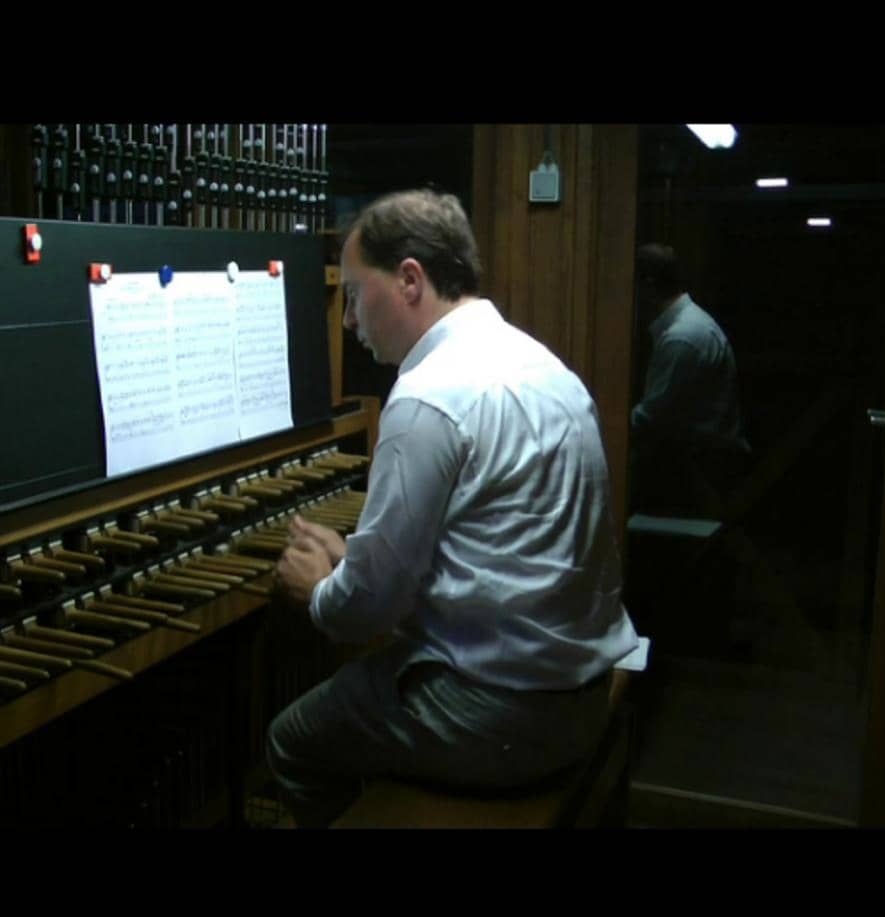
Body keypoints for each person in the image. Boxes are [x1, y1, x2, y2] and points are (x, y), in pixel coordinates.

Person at [267, 189, 639, 828]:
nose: (351, 321)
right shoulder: (540, 363)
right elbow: (498, 555)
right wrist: (357, 560)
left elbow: (363, 613)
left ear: (410, 280)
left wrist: (321, 589)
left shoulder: (426, 396)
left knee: (292, 741)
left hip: (503, 720)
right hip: (578, 694)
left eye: (355, 295)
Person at [629, 244, 750, 517]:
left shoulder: (682, 337)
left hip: (700, 466)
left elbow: (652, 417)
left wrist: (606, 430)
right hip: (701, 460)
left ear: (647, 284)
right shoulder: (689, 326)